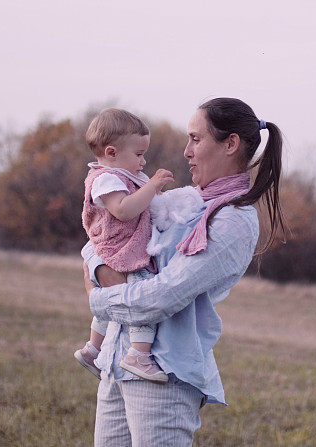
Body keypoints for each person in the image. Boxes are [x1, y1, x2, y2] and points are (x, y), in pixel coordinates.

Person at [82, 97, 284, 446]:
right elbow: (101, 242)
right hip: (116, 359)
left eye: (196, 138)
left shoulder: (233, 218)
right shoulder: (184, 200)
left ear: (230, 144)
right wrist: (98, 269)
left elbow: (161, 297)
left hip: (163, 372)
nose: (186, 151)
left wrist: (96, 294)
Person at [74, 108, 175, 383]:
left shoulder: (122, 175)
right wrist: (152, 186)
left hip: (118, 247)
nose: (143, 161)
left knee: (111, 302)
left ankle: (93, 349)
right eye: (139, 154)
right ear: (111, 153)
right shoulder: (105, 178)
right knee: (139, 295)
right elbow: (123, 210)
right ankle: (138, 355)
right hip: (117, 248)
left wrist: (152, 190)